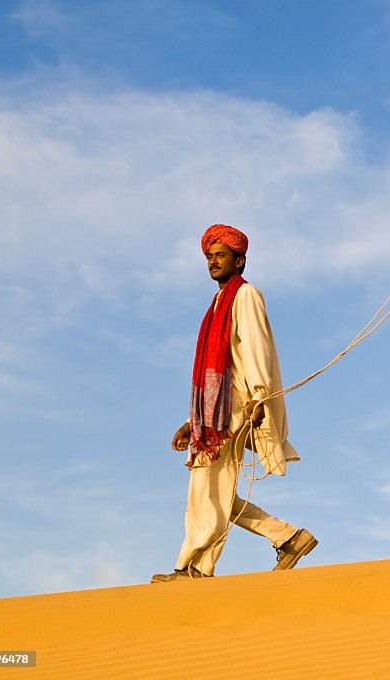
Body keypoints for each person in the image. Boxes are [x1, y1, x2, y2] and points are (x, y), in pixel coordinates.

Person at [151, 224, 317, 583]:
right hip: (215, 410)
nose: (212, 261)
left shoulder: (246, 296)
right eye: (209, 256)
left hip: (239, 404)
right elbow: (221, 363)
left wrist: (260, 396)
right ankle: (288, 537)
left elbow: (255, 348)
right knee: (213, 490)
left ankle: (194, 569)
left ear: (239, 260)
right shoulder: (216, 305)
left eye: (220, 255)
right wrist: (191, 419)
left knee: (206, 489)